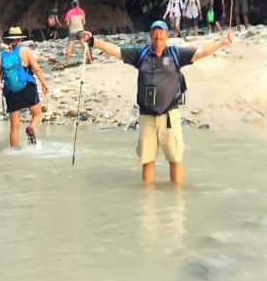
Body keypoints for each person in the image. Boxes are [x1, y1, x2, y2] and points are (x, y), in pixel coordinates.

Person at [88, 20, 233, 184]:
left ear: (167, 35)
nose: (158, 36)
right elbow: (116, 51)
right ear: (150, 35)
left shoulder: (176, 54)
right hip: (147, 116)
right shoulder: (140, 54)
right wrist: (93, 41)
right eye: (155, 33)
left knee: (175, 158)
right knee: (147, 159)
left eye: (161, 33)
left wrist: (223, 42)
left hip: (170, 115)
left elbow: (201, 53)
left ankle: (177, 198)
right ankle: (147, 201)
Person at [0, 26, 50, 148]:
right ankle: (31, 127)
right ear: (19, 39)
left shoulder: (2, 55)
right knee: (37, 114)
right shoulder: (25, 51)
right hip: (27, 87)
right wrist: (44, 84)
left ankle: (14, 153)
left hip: (11, 92)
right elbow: (37, 69)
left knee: (14, 126)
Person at [64, 0, 91, 66]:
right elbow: (84, 22)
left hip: (72, 31)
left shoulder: (69, 12)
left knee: (70, 46)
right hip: (80, 30)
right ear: (78, 4)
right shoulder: (82, 11)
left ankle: (66, 62)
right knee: (84, 45)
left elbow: (67, 23)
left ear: (72, 5)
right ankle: (90, 59)